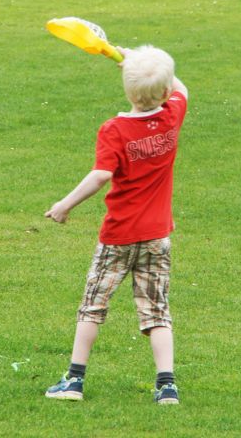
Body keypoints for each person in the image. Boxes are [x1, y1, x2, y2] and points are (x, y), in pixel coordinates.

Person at [43, 45, 189, 403]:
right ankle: (166, 386)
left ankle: (74, 381)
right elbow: (183, 90)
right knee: (157, 310)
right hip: (157, 236)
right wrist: (127, 57)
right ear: (166, 92)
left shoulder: (115, 130)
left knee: (93, 305)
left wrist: (64, 205)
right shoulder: (173, 114)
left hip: (119, 236)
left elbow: (100, 176)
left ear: (127, 91)